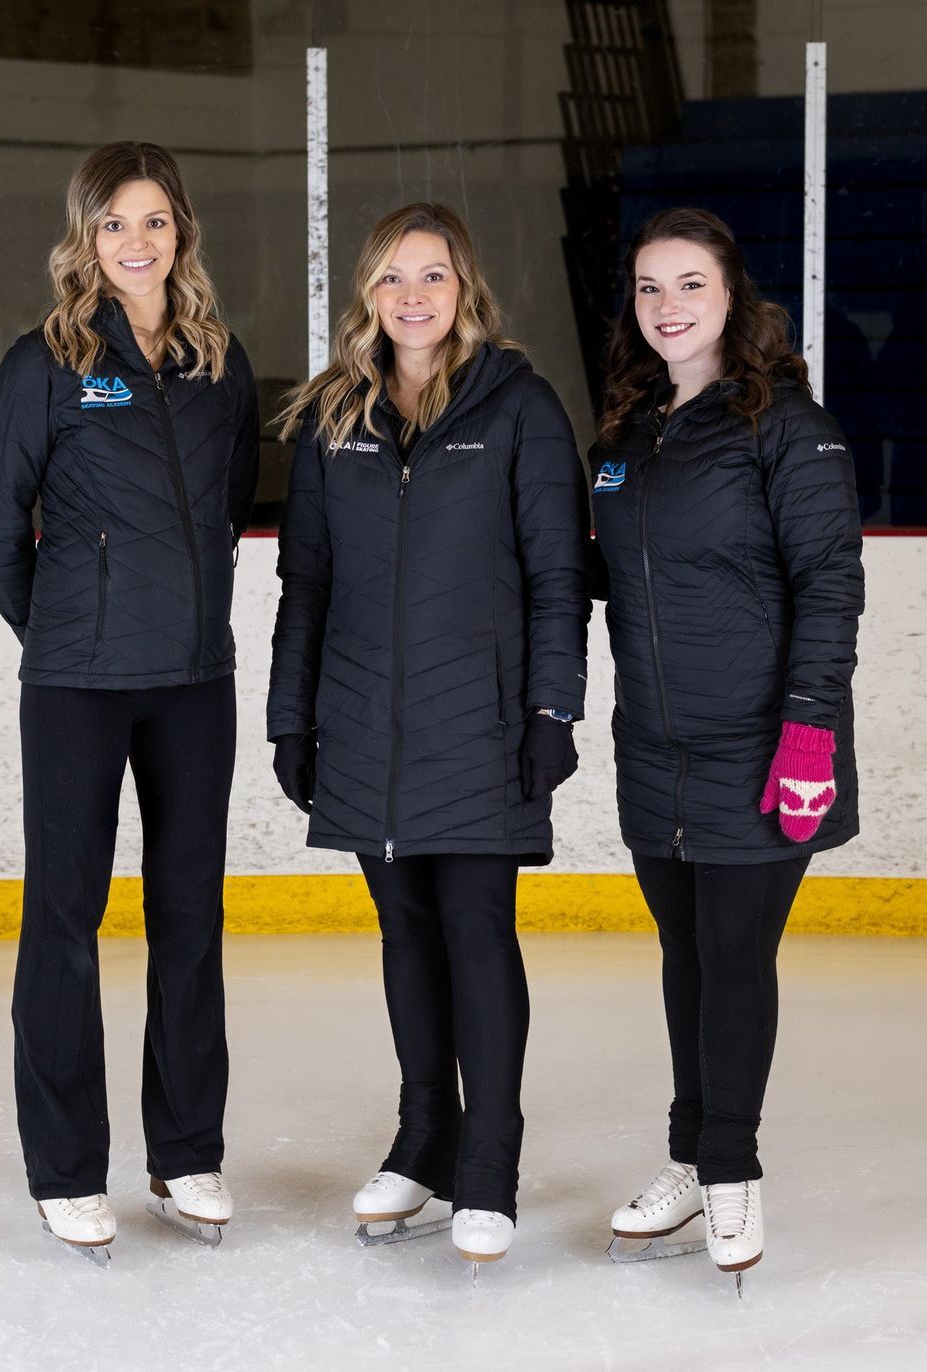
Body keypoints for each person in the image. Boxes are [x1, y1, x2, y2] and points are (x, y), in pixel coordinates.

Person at [266, 203, 590, 1270]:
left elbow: (558, 576)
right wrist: (291, 717)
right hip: (363, 720)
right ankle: (425, 1138)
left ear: (467, 291)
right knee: (404, 932)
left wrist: (554, 708)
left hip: (484, 719)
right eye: (395, 277)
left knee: (475, 929)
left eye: (435, 276)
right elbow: (304, 581)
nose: (414, 295)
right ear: (369, 292)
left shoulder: (521, 408)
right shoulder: (329, 418)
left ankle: (487, 1159)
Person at [0, 141, 258, 1258]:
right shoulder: (42, 363)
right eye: (114, 224)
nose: (136, 243)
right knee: (67, 923)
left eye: (155, 221)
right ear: (85, 238)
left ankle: (186, 1154)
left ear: (181, 231)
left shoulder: (219, 363)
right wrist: (59, 629)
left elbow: (227, 508)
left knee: (190, 921)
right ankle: (65, 1168)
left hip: (194, 685)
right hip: (78, 688)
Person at [588, 207, 864, 1285]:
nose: (668, 306)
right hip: (655, 745)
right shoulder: (623, 433)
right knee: (686, 954)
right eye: (650, 287)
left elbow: (831, 584)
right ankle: (694, 1155)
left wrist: (807, 727)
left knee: (736, 956)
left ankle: (734, 1169)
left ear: (733, 296)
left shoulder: (789, 427)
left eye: (690, 284)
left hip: (763, 743)